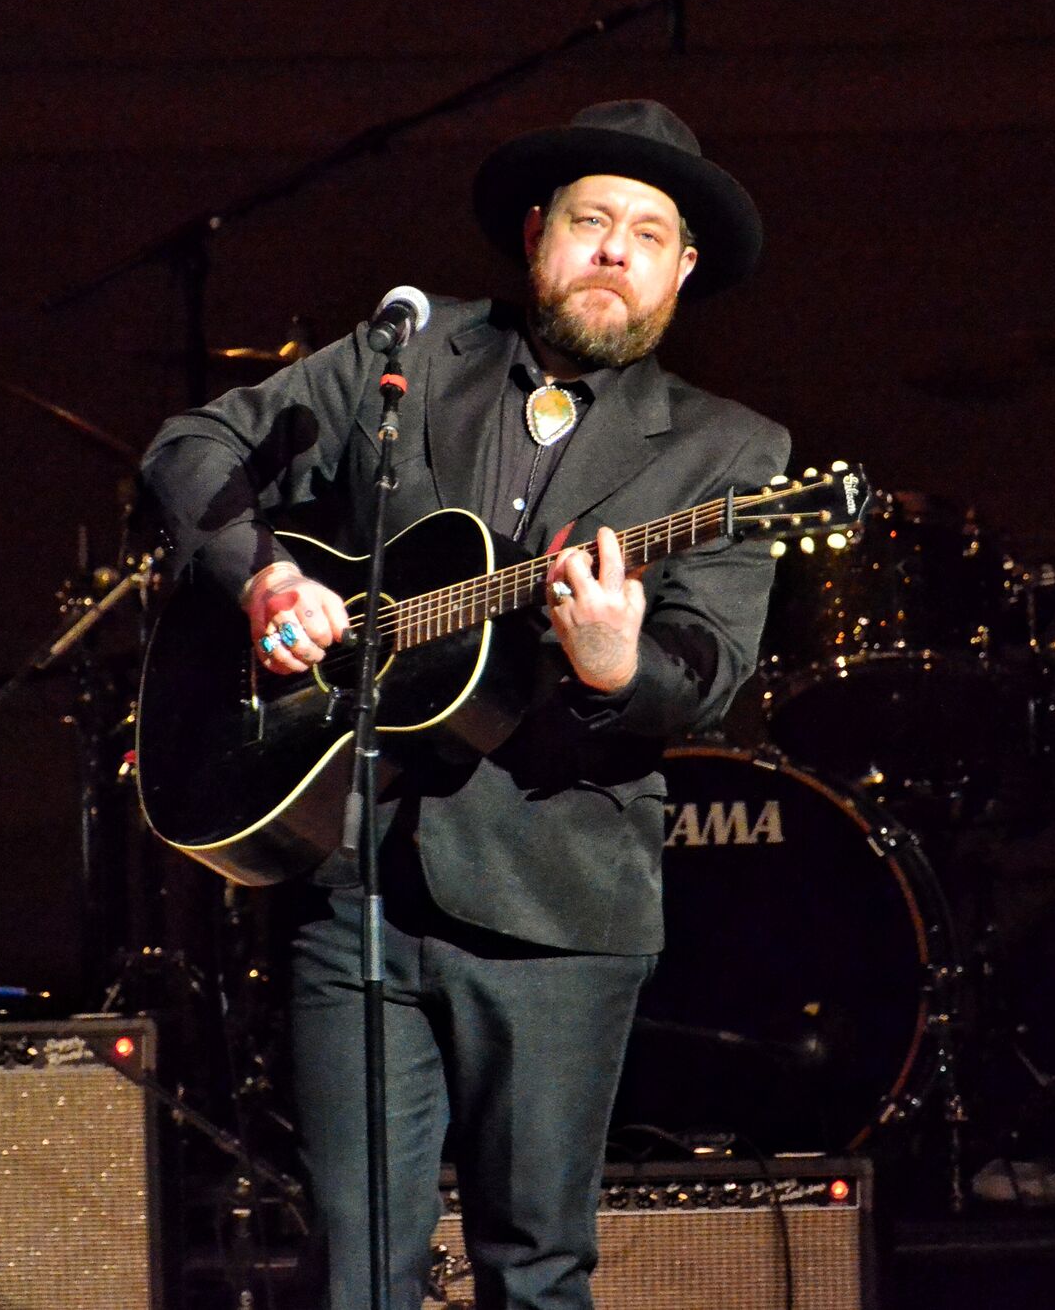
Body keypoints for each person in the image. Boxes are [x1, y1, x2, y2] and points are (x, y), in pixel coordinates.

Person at [139, 99, 791, 1309]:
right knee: (355, 1276)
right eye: (590, 222)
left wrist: (614, 665)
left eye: (648, 235)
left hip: (558, 903)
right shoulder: (410, 352)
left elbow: (705, 671)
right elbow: (193, 449)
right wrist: (266, 578)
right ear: (536, 233)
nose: (614, 251)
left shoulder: (728, 454)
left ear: (682, 271)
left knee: (534, 1270)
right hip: (356, 882)